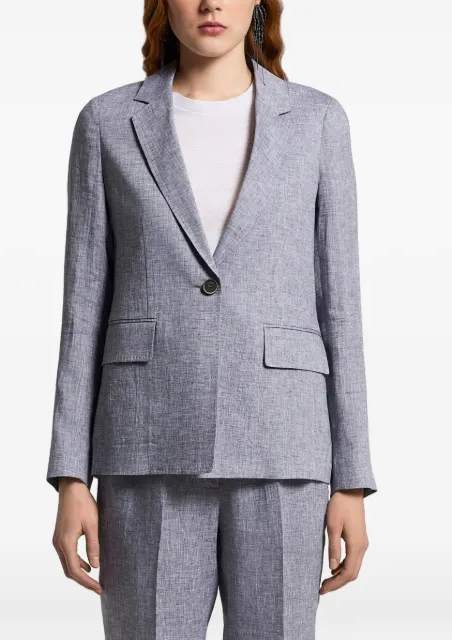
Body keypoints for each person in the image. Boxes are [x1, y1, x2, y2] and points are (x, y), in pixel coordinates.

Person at [47, 1, 378, 638]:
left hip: (284, 444)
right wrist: (70, 475)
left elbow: (341, 305)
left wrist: (352, 480)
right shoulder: (107, 122)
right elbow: (82, 307)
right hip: (145, 444)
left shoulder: (317, 120)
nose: (210, 3)